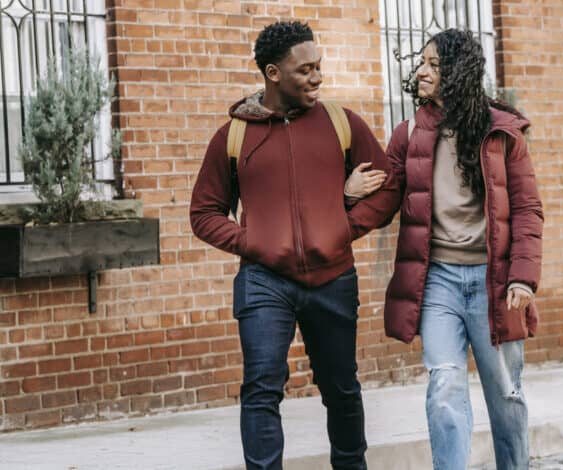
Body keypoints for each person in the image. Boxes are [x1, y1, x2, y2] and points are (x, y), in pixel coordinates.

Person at [189, 21, 397, 470]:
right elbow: (203, 214)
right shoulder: (234, 136)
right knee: (261, 388)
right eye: (305, 70)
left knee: (341, 388)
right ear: (273, 72)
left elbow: (387, 189)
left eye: (319, 67)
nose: (317, 77)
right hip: (264, 282)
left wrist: (342, 227)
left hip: (334, 279)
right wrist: (254, 243)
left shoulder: (342, 123)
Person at [350, 29, 543, 469]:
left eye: (434, 65)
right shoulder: (410, 133)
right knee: (444, 388)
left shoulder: (502, 133)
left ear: (459, 72)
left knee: (506, 394)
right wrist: (345, 203)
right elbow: (385, 202)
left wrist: (523, 276)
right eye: (422, 62)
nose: (422, 71)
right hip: (438, 280)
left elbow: (528, 209)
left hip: (494, 281)